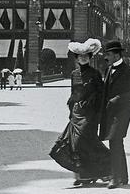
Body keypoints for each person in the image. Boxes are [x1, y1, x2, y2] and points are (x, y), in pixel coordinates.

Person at [50, 38, 111, 186]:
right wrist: (71, 111)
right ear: (76, 58)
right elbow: (73, 93)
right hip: (76, 113)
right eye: (80, 57)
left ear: (90, 58)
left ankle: (108, 168)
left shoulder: (95, 74)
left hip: (90, 114)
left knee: (85, 141)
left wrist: (98, 114)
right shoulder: (74, 74)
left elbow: (101, 94)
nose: (83, 58)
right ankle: (84, 175)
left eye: (86, 56)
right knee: (76, 145)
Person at [99, 40, 130, 189]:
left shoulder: (129, 72)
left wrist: (119, 98)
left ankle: (115, 178)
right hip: (110, 113)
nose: (106, 57)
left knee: (115, 141)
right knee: (116, 143)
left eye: (108, 54)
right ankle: (123, 176)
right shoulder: (108, 69)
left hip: (122, 112)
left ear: (117, 55)